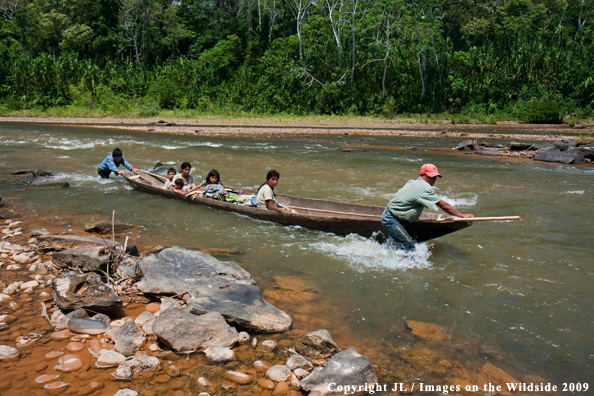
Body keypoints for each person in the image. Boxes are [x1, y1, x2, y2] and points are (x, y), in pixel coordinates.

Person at [382, 164, 474, 251]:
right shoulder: (425, 188)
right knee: (409, 245)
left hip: (393, 215)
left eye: (435, 177)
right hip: (391, 219)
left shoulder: (412, 182)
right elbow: (443, 205)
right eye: (431, 177)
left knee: (397, 244)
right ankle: (411, 267)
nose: (434, 180)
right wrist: (461, 215)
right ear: (423, 175)